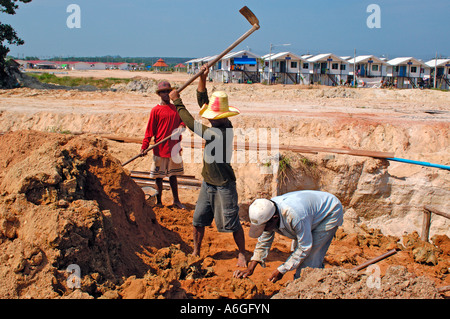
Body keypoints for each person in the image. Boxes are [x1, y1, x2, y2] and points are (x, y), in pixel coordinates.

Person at [168, 66, 247, 267]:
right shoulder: (221, 123)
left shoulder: (219, 133)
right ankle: (196, 250)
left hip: (223, 184)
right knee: (198, 219)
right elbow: (203, 103)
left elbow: (192, 124)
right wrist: (202, 79)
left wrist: (177, 102)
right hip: (208, 182)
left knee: (232, 222)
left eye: (211, 114)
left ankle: (242, 253)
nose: (208, 115)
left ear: (217, 117)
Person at [233, 190, 344, 282]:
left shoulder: (294, 216)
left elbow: (304, 247)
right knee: (299, 254)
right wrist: (251, 268)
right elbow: (263, 242)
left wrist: (282, 270)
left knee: (310, 258)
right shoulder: (267, 212)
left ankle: (309, 284)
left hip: (329, 211)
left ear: (274, 219)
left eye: (264, 227)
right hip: (309, 213)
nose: (264, 231)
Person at [141, 81, 186, 209]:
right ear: (159, 94)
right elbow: (149, 131)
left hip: (174, 148)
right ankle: (159, 201)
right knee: (159, 177)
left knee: (173, 176)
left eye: (168, 91)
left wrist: (181, 127)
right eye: (163, 92)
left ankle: (176, 200)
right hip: (160, 149)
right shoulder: (155, 110)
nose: (166, 94)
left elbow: (184, 122)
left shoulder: (176, 108)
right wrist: (144, 147)